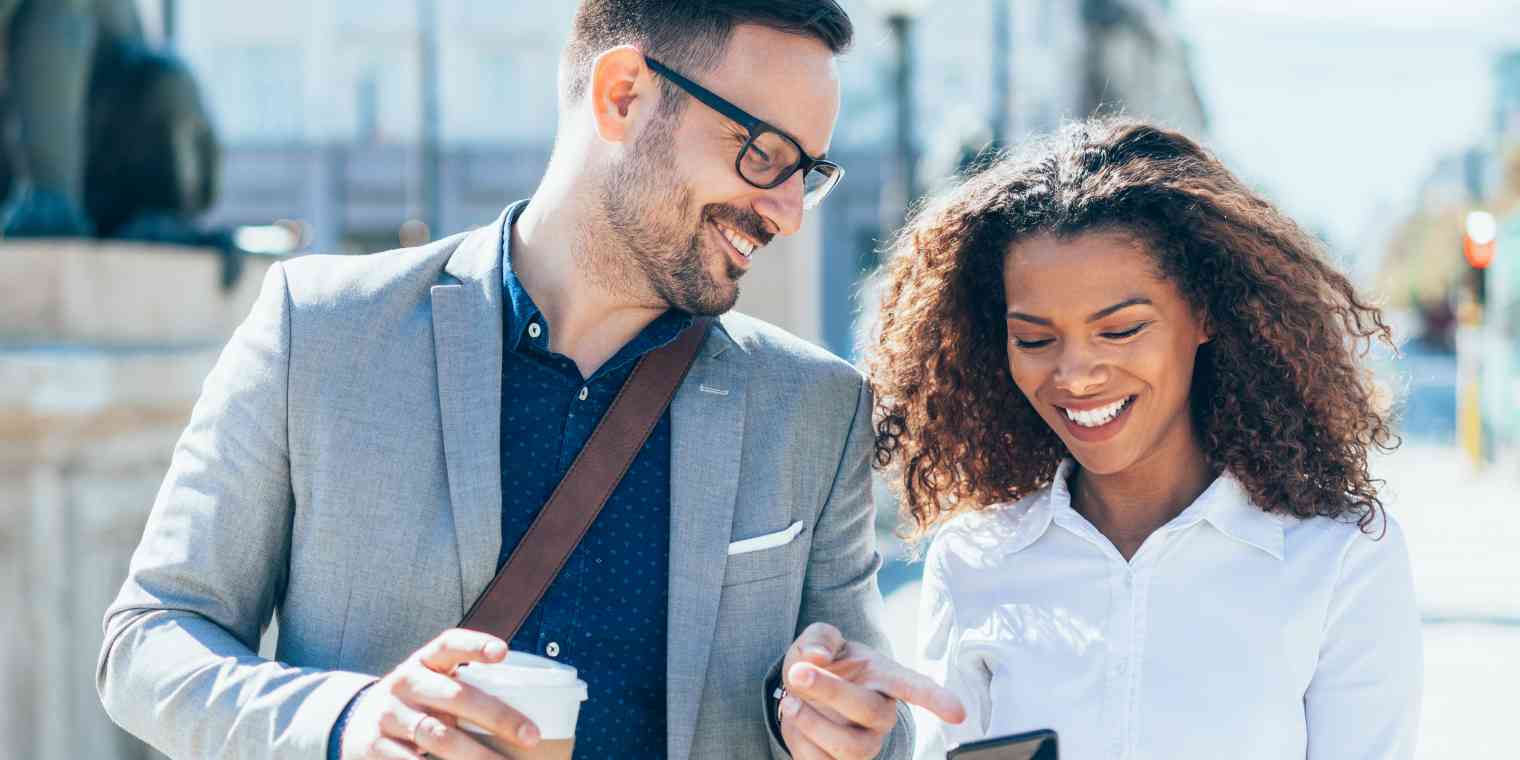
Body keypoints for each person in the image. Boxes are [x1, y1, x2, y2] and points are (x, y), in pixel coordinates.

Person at [96, 2, 963, 759]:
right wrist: (347, 723)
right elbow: (148, 642)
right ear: (623, 95)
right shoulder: (319, 329)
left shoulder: (817, 407)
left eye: (809, 173)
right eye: (765, 153)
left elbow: (865, 711)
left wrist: (834, 727)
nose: (784, 209)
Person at [867, 120, 1422, 760]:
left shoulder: (1340, 562)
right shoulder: (973, 561)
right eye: (1035, 339)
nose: (1074, 374)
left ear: (1206, 313)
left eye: (1121, 330)